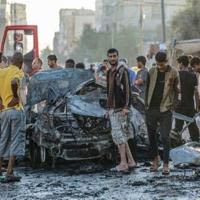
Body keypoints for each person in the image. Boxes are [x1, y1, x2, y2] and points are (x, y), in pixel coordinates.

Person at [145, 51, 180, 175]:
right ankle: (155, 161)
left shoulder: (174, 72)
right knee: (152, 136)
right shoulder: (151, 71)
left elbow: (177, 91)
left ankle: (166, 164)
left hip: (166, 110)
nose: (160, 67)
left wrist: (173, 106)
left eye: (162, 64)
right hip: (151, 109)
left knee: (165, 137)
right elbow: (146, 89)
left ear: (167, 61)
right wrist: (146, 106)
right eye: (158, 64)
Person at [106, 48, 136, 172]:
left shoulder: (122, 71)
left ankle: (123, 164)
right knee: (121, 136)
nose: (112, 58)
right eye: (110, 56)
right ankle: (131, 161)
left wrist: (126, 107)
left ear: (118, 56)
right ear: (108, 58)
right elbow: (108, 92)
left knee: (119, 136)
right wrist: (108, 108)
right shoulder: (109, 72)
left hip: (121, 108)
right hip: (113, 108)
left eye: (114, 56)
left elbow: (128, 89)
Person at [0, 52, 26, 182]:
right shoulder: (19, 72)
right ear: (21, 63)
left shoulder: (2, 72)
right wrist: (16, 97)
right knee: (15, 140)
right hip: (16, 110)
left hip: (4, 111)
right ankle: (9, 172)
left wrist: (1, 101)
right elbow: (14, 81)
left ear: (10, 61)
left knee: (3, 140)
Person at [172, 56, 199, 142]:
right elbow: (196, 93)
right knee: (192, 128)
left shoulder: (177, 74)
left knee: (177, 129)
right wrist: (197, 106)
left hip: (179, 106)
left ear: (181, 64)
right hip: (190, 105)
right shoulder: (193, 76)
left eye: (178, 63)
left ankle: (176, 144)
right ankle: (196, 144)